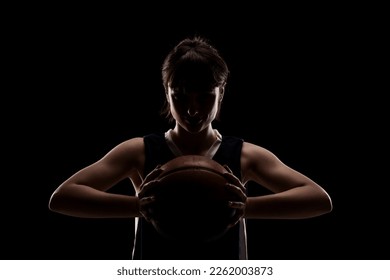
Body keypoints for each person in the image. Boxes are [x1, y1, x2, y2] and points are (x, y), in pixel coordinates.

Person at [48, 36, 333, 260]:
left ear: (221, 93)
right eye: (181, 96)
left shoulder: (244, 155)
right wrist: (138, 206)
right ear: (166, 92)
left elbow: (318, 199)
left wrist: (244, 207)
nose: (192, 109)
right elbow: (62, 198)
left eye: (205, 97)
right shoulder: (140, 151)